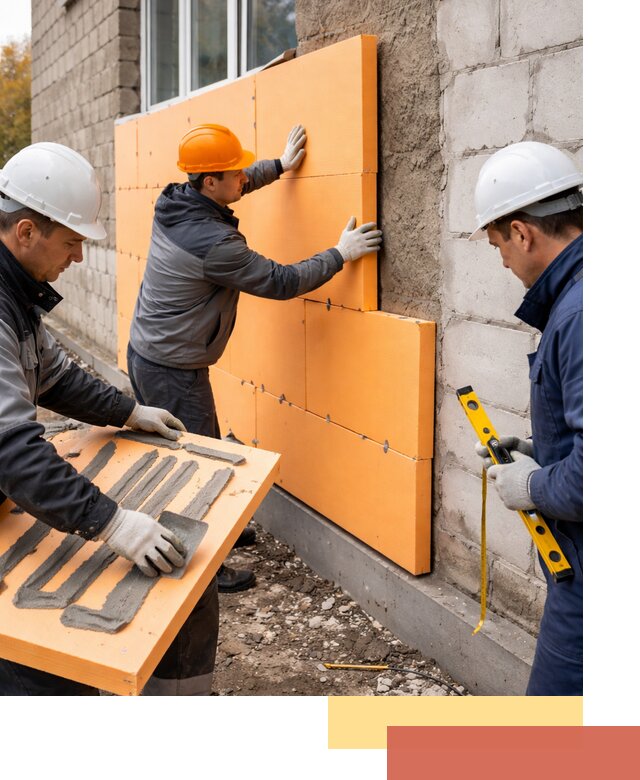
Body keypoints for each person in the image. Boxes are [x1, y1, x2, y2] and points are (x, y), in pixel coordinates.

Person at [0, 142, 217, 696]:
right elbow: (13, 452)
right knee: (40, 673)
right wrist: (113, 524)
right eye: (72, 241)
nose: (77, 257)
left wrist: (128, 410)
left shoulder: (15, 295)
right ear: (26, 232)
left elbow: (51, 375)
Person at [127, 123, 382, 592]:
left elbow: (235, 183)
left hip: (153, 350)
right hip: (170, 366)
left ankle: (213, 530)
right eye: (236, 170)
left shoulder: (176, 200)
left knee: (195, 450)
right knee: (198, 461)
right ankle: (201, 566)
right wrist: (340, 254)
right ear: (209, 182)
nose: (244, 174)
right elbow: (281, 281)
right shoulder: (215, 245)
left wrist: (279, 166)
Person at [470, 141, 583, 696]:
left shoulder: (582, 312)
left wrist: (532, 484)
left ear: (522, 232)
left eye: (499, 245)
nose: (504, 261)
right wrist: (546, 448)